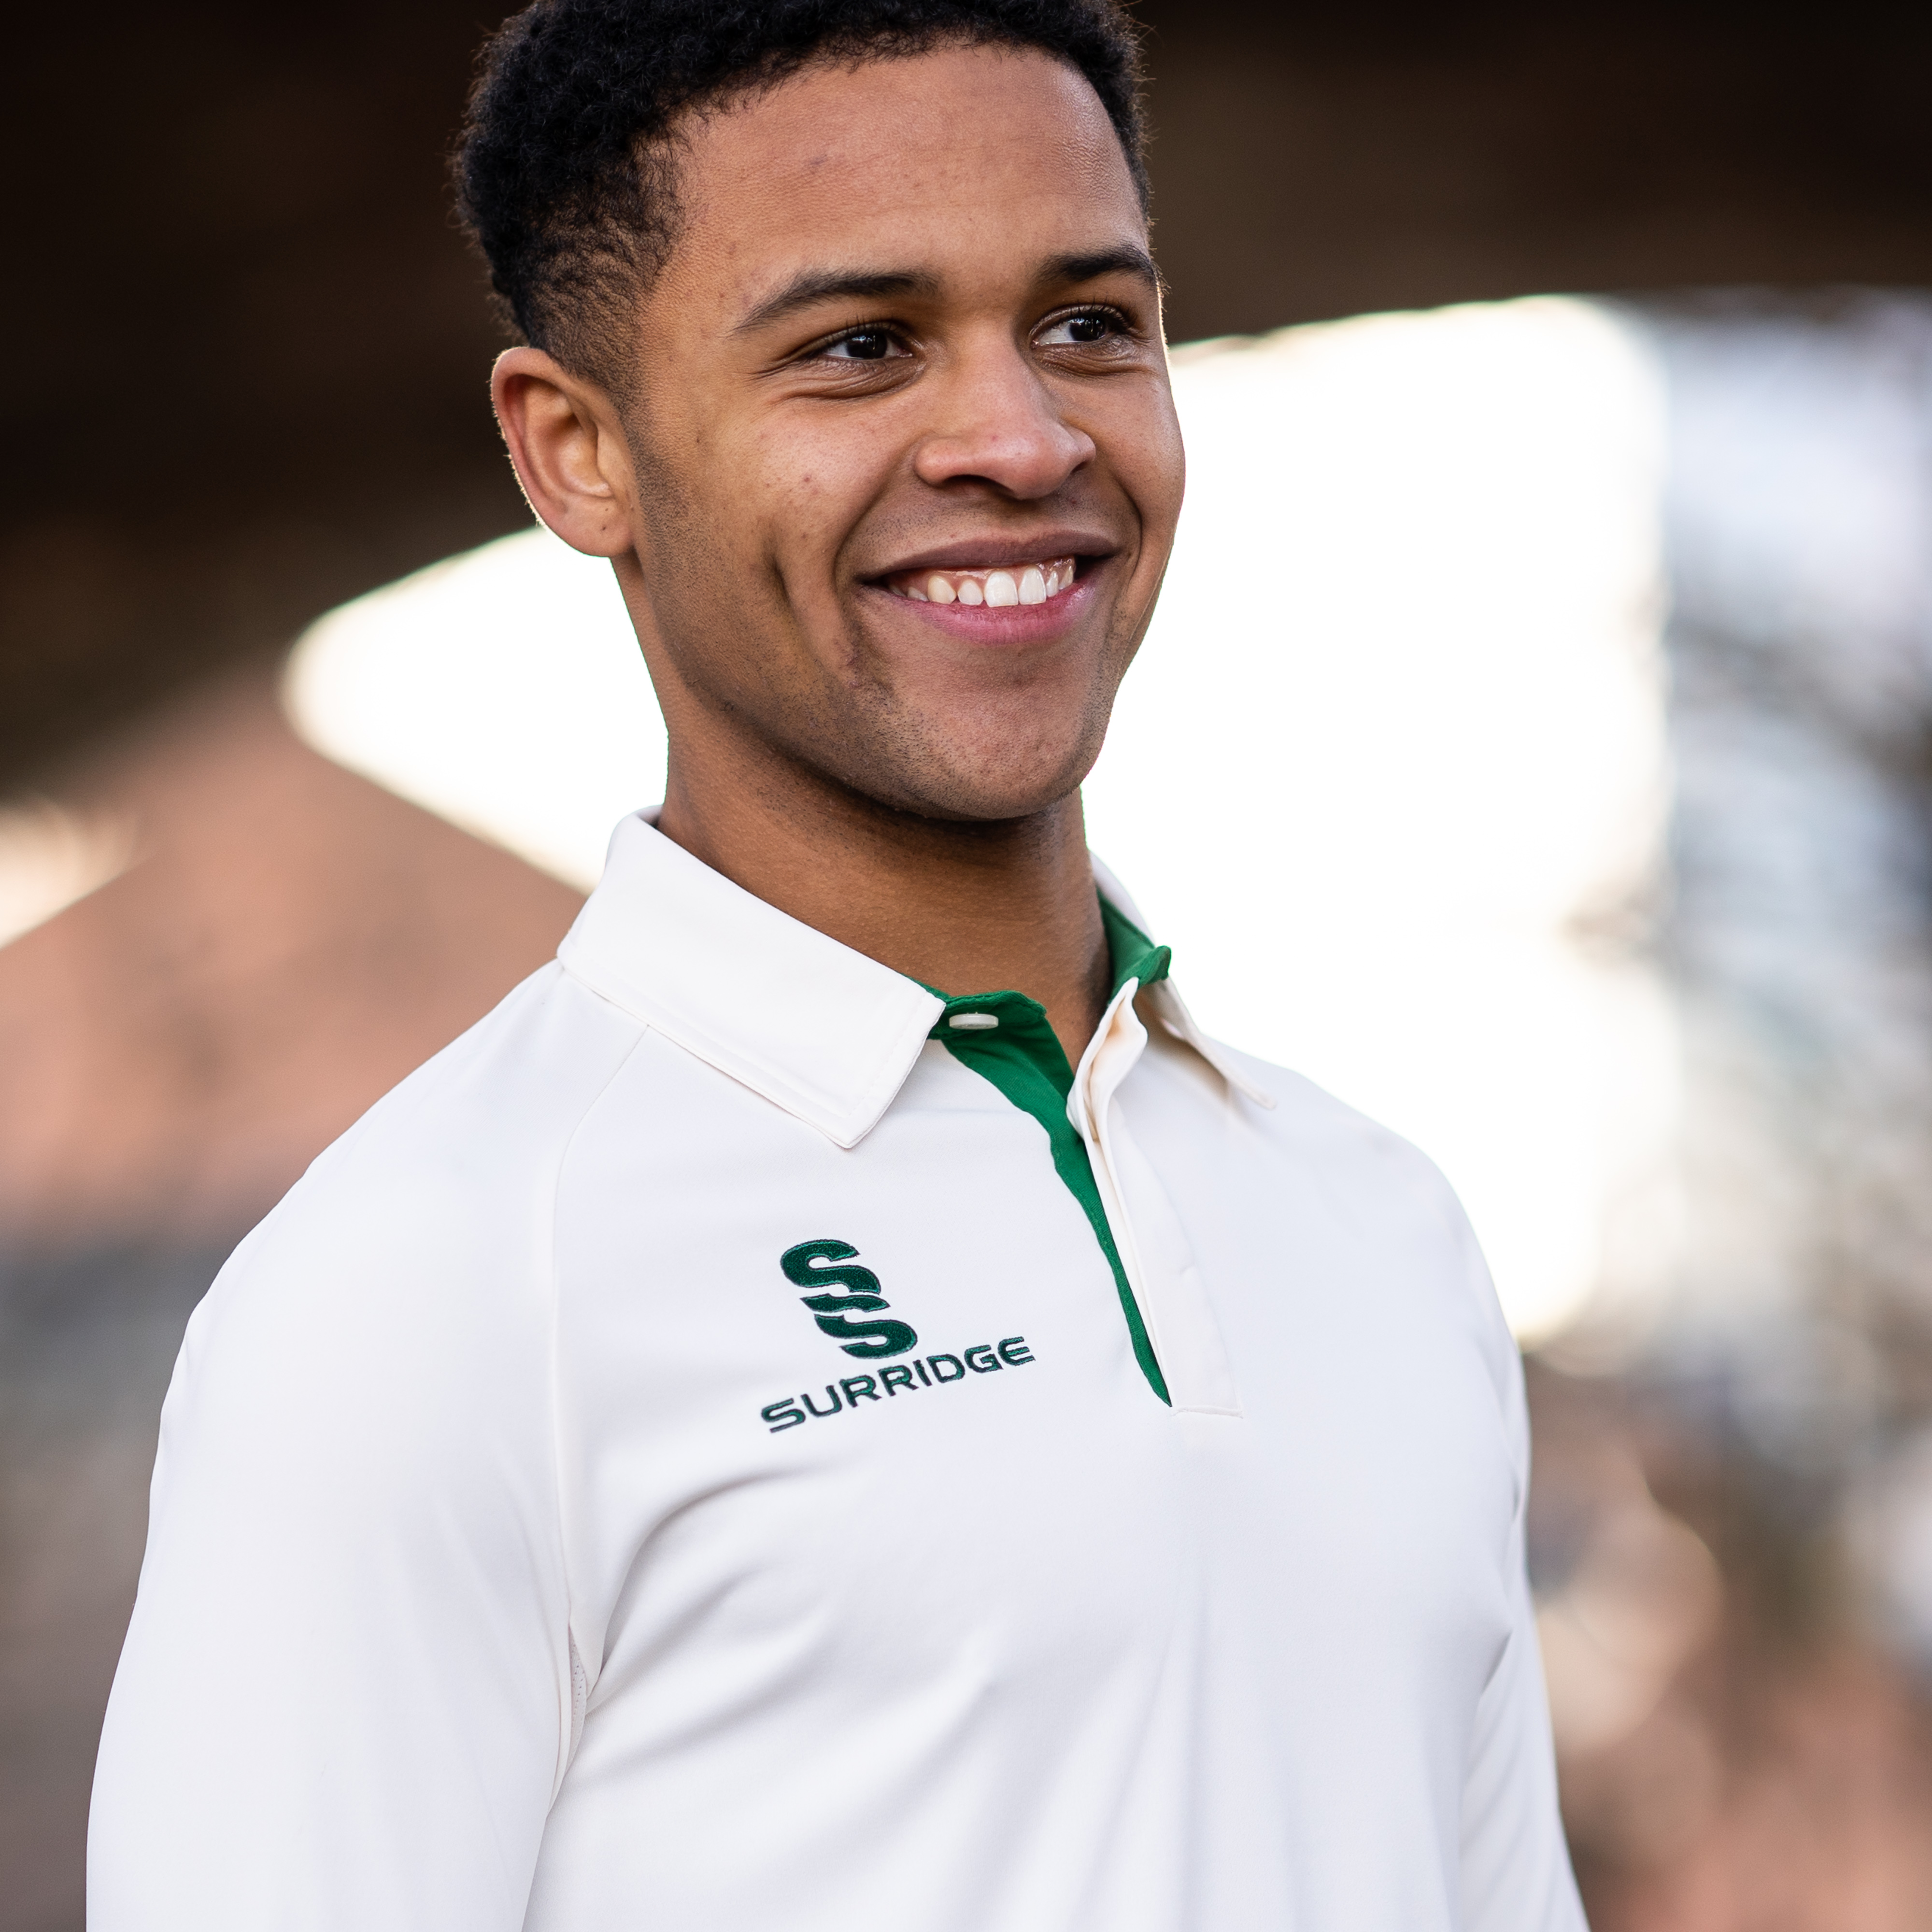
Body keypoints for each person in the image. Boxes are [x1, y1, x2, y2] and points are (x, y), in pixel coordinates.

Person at [88, 3, 1585, 1927]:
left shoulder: (1382, 1227)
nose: (1023, 439)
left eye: (1089, 324)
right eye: (862, 345)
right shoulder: (430, 1288)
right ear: (576, 453)